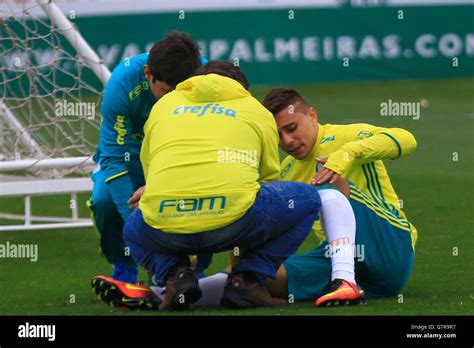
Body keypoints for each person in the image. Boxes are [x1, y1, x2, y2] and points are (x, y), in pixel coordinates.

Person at [122, 61, 328, 311]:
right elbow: (267, 178)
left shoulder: (163, 105)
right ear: (241, 88)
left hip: (167, 225)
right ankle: (248, 281)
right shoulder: (253, 108)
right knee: (308, 199)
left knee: (133, 226)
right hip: (234, 222)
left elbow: (150, 170)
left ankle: (176, 275)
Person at [262, 88, 418, 306]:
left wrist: (348, 153)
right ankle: (199, 290)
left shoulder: (347, 136)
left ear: (312, 115)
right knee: (256, 277)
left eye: (291, 128)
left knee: (326, 180)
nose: (287, 141)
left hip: (388, 247)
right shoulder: (285, 170)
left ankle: (344, 280)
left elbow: (407, 140)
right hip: (339, 259)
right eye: (278, 135)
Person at [88, 31, 204, 285]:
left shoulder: (206, 77)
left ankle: (197, 268)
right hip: (129, 157)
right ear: (148, 73)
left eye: (179, 93)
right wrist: (142, 233)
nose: (172, 101)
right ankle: (124, 262)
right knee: (104, 202)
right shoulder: (122, 83)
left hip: (178, 157)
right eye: (165, 92)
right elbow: (113, 159)